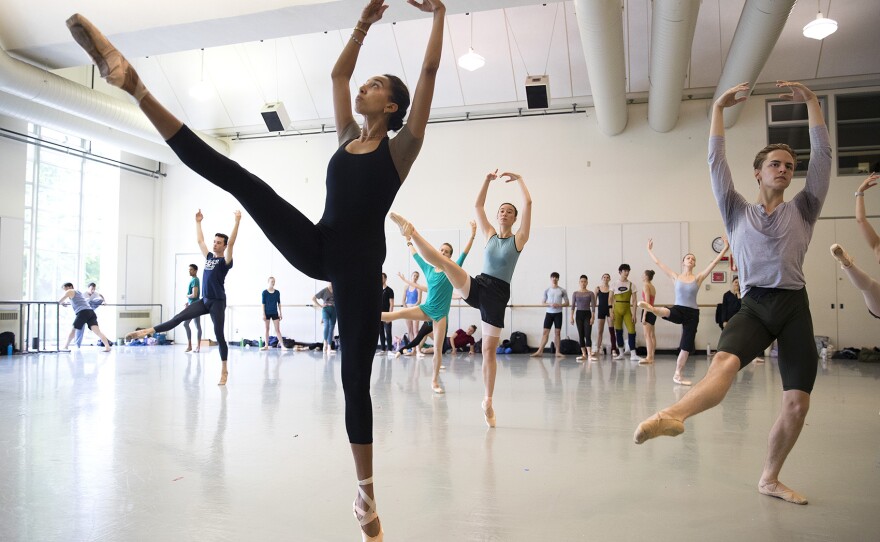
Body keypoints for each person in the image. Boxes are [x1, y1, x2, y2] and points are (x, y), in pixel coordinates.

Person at [66, 1, 445, 537]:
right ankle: (137, 87)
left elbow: (429, 73)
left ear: (393, 106)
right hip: (320, 246)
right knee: (243, 181)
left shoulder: (401, 149)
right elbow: (337, 73)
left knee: (354, 382)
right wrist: (362, 25)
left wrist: (440, 14)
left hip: (359, 275)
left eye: (376, 84)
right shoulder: (345, 139)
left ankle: (366, 496)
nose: (363, 86)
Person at [634, 81, 831, 507]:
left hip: (794, 305)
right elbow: (714, 161)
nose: (784, 170)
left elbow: (824, 159)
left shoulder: (806, 206)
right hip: (756, 304)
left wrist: (814, 103)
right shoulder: (735, 209)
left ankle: (770, 478)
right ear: (757, 172)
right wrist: (718, 109)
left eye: (789, 166)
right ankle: (671, 416)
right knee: (723, 362)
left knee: (797, 404)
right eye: (775, 164)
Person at [388, 169, 532, 428]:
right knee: (444, 263)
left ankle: (487, 401)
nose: (504, 213)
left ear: (515, 218)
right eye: (501, 210)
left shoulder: (518, 239)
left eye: (509, 211)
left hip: (497, 297)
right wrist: (486, 181)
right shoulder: (489, 233)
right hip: (479, 285)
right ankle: (410, 231)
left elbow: (529, 203)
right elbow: (478, 205)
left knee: (488, 351)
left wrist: (520, 180)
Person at [127, 210, 240, 385]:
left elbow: (232, 242)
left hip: (217, 302)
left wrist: (237, 221)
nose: (215, 245)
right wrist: (198, 222)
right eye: (215, 242)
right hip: (204, 301)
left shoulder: (225, 262)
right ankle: (146, 331)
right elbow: (200, 241)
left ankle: (224, 370)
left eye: (219, 243)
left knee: (219, 334)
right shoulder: (209, 257)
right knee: (179, 317)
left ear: (224, 246)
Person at [381, 221, 476, 393]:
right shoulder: (429, 268)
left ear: (450, 256)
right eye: (441, 250)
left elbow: (465, 253)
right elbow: (416, 254)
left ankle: (434, 382)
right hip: (426, 308)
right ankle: (365, 313)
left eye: (446, 252)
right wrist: (408, 240)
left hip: (440, 315)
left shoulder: (453, 268)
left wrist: (472, 235)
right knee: (400, 313)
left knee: (438, 348)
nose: (443, 253)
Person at [639, 237, 728, 383]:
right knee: (668, 311)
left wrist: (725, 249)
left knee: (686, 346)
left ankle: (678, 375)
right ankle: (652, 308)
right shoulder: (676, 277)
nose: (690, 260)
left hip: (692, 314)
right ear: (683, 262)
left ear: (694, 263)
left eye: (693, 259)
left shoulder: (698, 278)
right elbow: (658, 263)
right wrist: (649, 250)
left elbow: (714, 264)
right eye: (688, 258)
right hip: (678, 309)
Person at [830, 172, 880, 317]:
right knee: (870, 286)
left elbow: (861, 220)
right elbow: (861, 220)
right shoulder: (878, 244)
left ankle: (847, 264)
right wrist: (859, 192)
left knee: (869, 285)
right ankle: (847, 263)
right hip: (878, 303)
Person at [720, 275, 763, 363]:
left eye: (739, 283)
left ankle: (750, 356)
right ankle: (728, 356)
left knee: (746, 338)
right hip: (729, 319)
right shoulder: (727, 295)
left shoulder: (743, 294)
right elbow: (724, 308)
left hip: (741, 319)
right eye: (736, 282)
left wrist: (738, 295)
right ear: (732, 283)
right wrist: (724, 321)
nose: (737, 284)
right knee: (730, 339)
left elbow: (743, 306)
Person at [60, 283, 112, 352]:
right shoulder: (78, 293)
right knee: (97, 331)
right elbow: (77, 301)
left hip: (83, 312)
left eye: (65, 289)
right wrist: (64, 302)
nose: (65, 291)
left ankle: (65, 347)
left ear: (70, 287)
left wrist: (61, 302)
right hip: (90, 312)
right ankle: (107, 346)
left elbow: (59, 301)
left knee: (73, 329)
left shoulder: (69, 291)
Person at [531, 272, 569, 358]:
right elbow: (543, 303)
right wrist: (550, 304)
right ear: (551, 278)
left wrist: (560, 305)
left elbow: (567, 303)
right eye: (553, 277)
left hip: (558, 314)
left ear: (558, 279)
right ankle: (540, 351)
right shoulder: (547, 290)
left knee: (557, 333)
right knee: (545, 332)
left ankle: (557, 352)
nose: (554, 279)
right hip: (549, 313)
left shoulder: (562, 290)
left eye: (556, 277)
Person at [611, 264, 639, 361]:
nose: (626, 273)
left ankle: (633, 354)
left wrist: (634, 314)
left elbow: (635, 300)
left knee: (632, 330)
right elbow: (610, 299)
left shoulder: (632, 285)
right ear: (620, 272)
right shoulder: (614, 284)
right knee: (618, 331)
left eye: (628, 271)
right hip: (617, 310)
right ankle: (621, 353)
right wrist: (611, 312)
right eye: (624, 271)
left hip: (627, 310)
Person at [570, 275, 597, 362]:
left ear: (587, 282)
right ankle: (583, 354)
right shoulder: (575, 293)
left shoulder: (590, 293)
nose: (583, 283)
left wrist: (593, 317)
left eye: (585, 281)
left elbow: (593, 306)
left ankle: (589, 354)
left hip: (587, 314)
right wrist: (571, 317)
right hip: (579, 314)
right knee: (581, 334)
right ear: (579, 282)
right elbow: (573, 306)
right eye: (581, 281)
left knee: (587, 334)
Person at [73, 282, 105, 347]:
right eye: (91, 289)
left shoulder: (95, 294)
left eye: (94, 289)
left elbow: (100, 296)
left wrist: (104, 301)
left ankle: (106, 345)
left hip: (90, 311)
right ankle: (77, 344)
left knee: (96, 329)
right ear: (88, 288)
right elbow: (75, 300)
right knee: (80, 328)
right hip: (84, 311)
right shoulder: (83, 294)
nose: (92, 290)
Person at [595, 273, 619, 357]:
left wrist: (613, 311)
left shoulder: (611, 289)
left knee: (612, 331)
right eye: (604, 277)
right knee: (599, 331)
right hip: (601, 310)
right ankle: (598, 349)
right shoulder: (598, 289)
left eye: (607, 277)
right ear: (602, 278)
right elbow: (594, 301)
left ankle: (613, 349)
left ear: (609, 279)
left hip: (610, 310)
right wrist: (593, 313)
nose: (606, 278)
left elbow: (614, 301)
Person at [262, 277, 288, 351]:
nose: (273, 283)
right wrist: (263, 314)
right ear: (268, 282)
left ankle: (282, 345)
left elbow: (279, 303)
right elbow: (263, 304)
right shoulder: (264, 292)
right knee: (267, 329)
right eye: (271, 281)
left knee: (277, 330)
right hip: (267, 312)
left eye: (274, 281)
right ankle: (266, 345)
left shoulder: (277, 292)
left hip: (274, 313)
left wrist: (280, 313)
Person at [182, 264, 202, 353]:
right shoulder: (193, 280)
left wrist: (187, 296)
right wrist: (188, 302)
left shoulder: (195, 280)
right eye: (189, 269)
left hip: (195, 307)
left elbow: (194, 295)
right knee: (190, 325)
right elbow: (194, 296)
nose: (189, 271)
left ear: (195, 270)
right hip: (193, 305)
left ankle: (196, 346)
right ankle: (191, 346)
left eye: (191, 269)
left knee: (194, 325)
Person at [313, 283, 337, 354]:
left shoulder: (336, 290)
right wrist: (320, 306)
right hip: (325, 310)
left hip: (334, 310)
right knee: (326, 325)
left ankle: (329, 347)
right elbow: (313, 298)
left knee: (331, 328)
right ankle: (325, 344)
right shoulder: (324, 290)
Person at [639, 270, 656, 365]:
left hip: (648, 311)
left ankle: (649, 357)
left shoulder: (646, 286)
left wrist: (644, 315)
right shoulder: (652, 286)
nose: (641, 276)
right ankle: (652, 355)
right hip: (652, 311)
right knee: (652, 335)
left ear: (646, 276)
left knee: (647, 335)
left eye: (643, 274)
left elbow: (647, 302)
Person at [402, 270, 423, 351]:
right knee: (409, 330)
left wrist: (413, 307)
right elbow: (403, 300)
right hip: (407, 309)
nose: (415, 277)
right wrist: (405, 308)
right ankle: (412, 348)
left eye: (417, 276)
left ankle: (417, 349)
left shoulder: (418, 288)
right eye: (414, 276)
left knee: (415, 331)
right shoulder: (406, 287)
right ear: (411, 276)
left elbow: (419, 301)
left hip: (415, 309)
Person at [377, 273, 394, 354]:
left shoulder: (389, 290)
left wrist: (390, 316)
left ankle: (390, 349)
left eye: (382, 278)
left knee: (388, 332)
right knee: (380, 332)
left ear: (385, 279)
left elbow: (391, 304)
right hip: (378, 315)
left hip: (387, 314)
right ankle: (383, 349)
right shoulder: (377, 290)